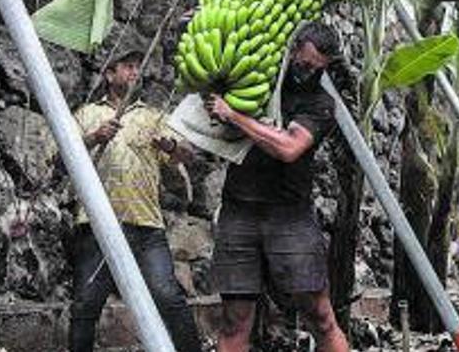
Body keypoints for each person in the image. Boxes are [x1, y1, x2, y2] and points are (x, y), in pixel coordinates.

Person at [203, 22, 350, 352]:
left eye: (316, 69)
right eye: (303, 63)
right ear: (294, 49)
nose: (307, 72)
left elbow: (288, 148)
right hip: (239, 210)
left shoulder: (321, 104)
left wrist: (235, 116)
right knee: (234, 319)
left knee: (321, 316)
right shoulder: (258, 79)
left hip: (290, 216)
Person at [69, 48, 203, 352]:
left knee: (168, 297)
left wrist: (169, 145)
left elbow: (188, 155)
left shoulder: (152, 117)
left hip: (145, 224)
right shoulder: (88, 114)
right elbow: (60, 159)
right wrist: (94, 137)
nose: (134, 73)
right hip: (96, 225)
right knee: (85, 304)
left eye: (137, 68)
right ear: (109, 74)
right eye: (127, 66)